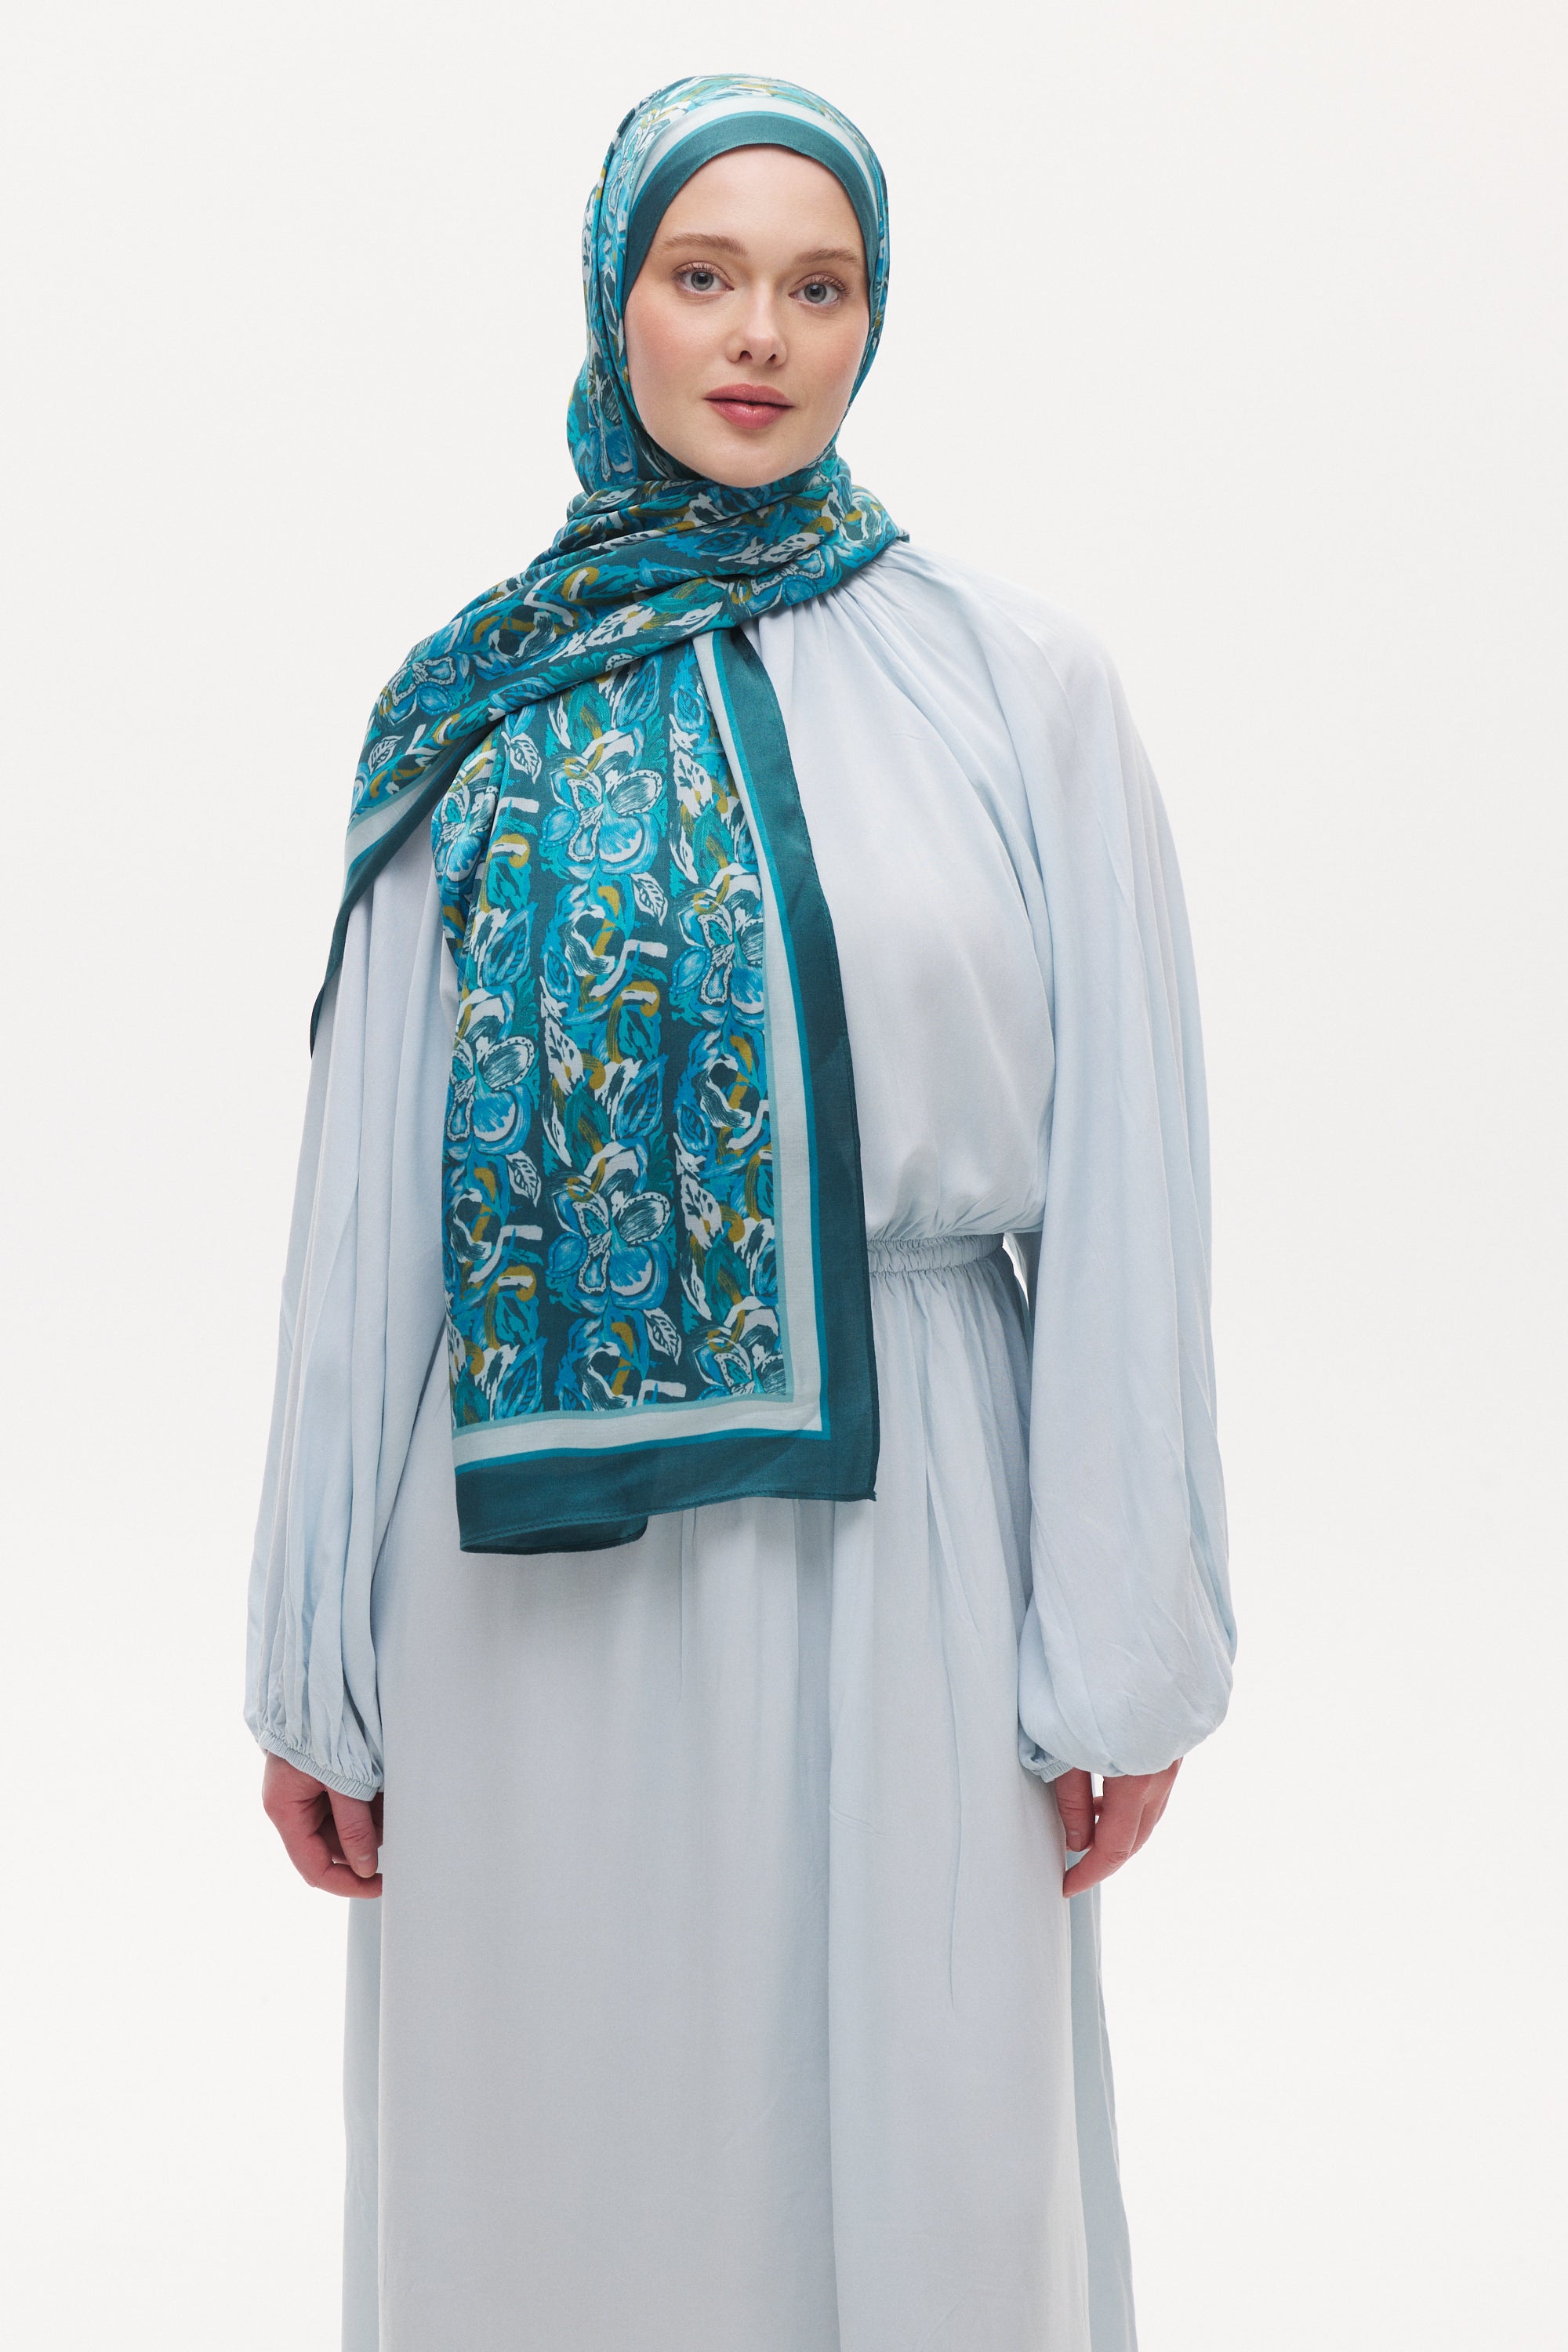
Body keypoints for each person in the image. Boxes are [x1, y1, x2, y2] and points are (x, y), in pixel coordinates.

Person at [247, 71, 1235, 2352]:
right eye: (705, 276)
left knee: (932, 2144)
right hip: (528, 1572)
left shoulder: (1017, 685)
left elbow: (1131, 1173)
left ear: (879, 316)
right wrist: (313, 1662)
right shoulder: (477, 706)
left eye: (821, 285)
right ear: (618, 301)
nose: (763, 336)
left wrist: (1126, 1641)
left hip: (920, 1520)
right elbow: (364, 1204)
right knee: (556, 2143)